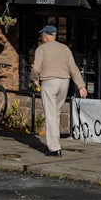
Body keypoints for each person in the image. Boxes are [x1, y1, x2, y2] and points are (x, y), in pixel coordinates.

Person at [31, 24, 88, 156]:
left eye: (42, 35)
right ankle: (54, 144)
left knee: (50, 115)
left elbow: (36, 68)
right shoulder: (65, 48)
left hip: (49, 82)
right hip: (64, 82)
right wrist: (81, 85)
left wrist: (34, 78)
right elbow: (73, 67)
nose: (41, 37)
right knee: (55, 114)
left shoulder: (41, 49)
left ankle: (54, 148)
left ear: (45, 36)